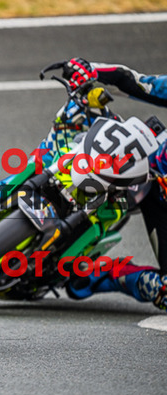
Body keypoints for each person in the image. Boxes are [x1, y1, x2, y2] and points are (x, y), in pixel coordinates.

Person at [59, 58, 167, 311]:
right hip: (145, 163)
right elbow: (137, 82)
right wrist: (90, 70)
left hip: (161, 206)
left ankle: (97, 275)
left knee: (163, 290)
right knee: (83, 128)